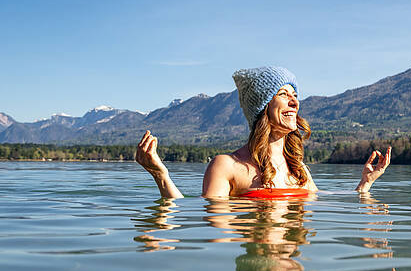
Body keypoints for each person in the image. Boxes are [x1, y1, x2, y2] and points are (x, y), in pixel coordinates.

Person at [135, 65, 391, 199]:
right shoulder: (226, 166)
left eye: (295, 95)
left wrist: (364, 184)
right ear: (262, 107)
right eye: (283, 94)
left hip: (289, 268)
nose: (294, 102)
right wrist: (161, 175)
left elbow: (322, 200)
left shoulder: (297, 167)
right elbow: (208, 226)